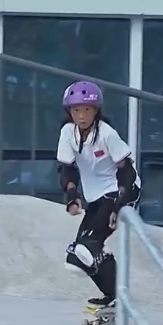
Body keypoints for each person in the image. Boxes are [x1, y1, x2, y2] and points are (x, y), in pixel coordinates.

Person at [57, 81, 142, 308]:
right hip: (96, 196)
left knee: (88, 248)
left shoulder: (107, 134)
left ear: (96, 110)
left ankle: (121, 298)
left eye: (87, 110)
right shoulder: (68, 133)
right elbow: (67, 169)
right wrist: (72, 196)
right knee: (76, 259)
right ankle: (115, 296)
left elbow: (127, 170)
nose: (81, 116)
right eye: (76, 110)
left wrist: (119, 205)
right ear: (69, 111)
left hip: (121, 190)